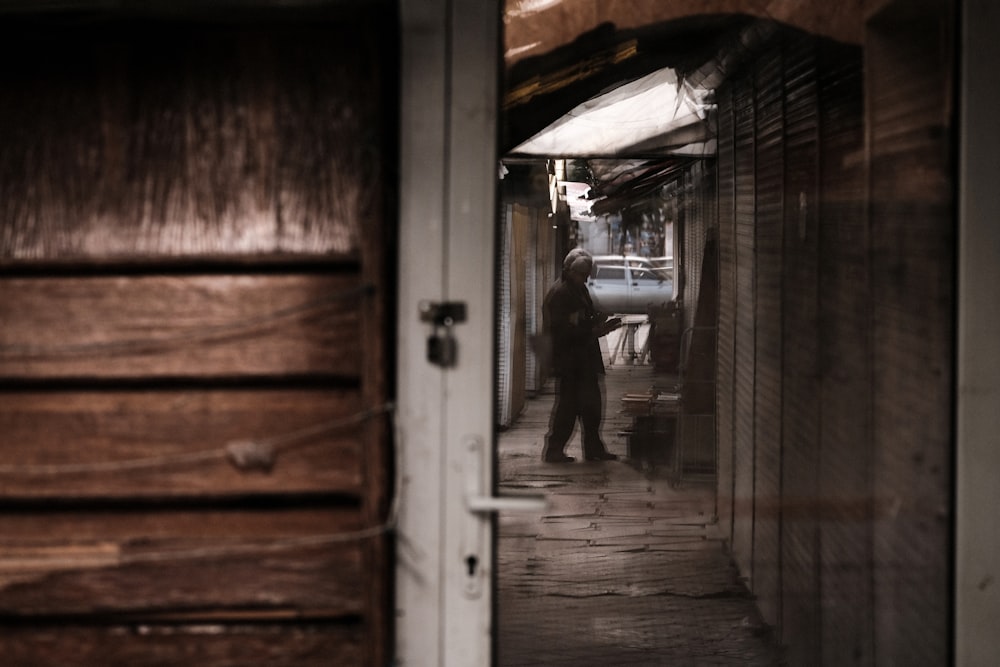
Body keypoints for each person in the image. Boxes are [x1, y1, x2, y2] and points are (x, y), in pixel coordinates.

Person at [541, 248, 622, 463]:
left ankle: (593, 449)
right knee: (569, 408)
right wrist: (594, 330)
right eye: (582, 275)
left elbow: (584, 317)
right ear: (570, 271)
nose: (585, 279)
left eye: (586, 275)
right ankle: (555, 450)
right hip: (571, 361)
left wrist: (599, 320)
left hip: (584, 359)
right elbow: (562, 330)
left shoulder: (578, 290)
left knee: (591, 406)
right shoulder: (561, 294)